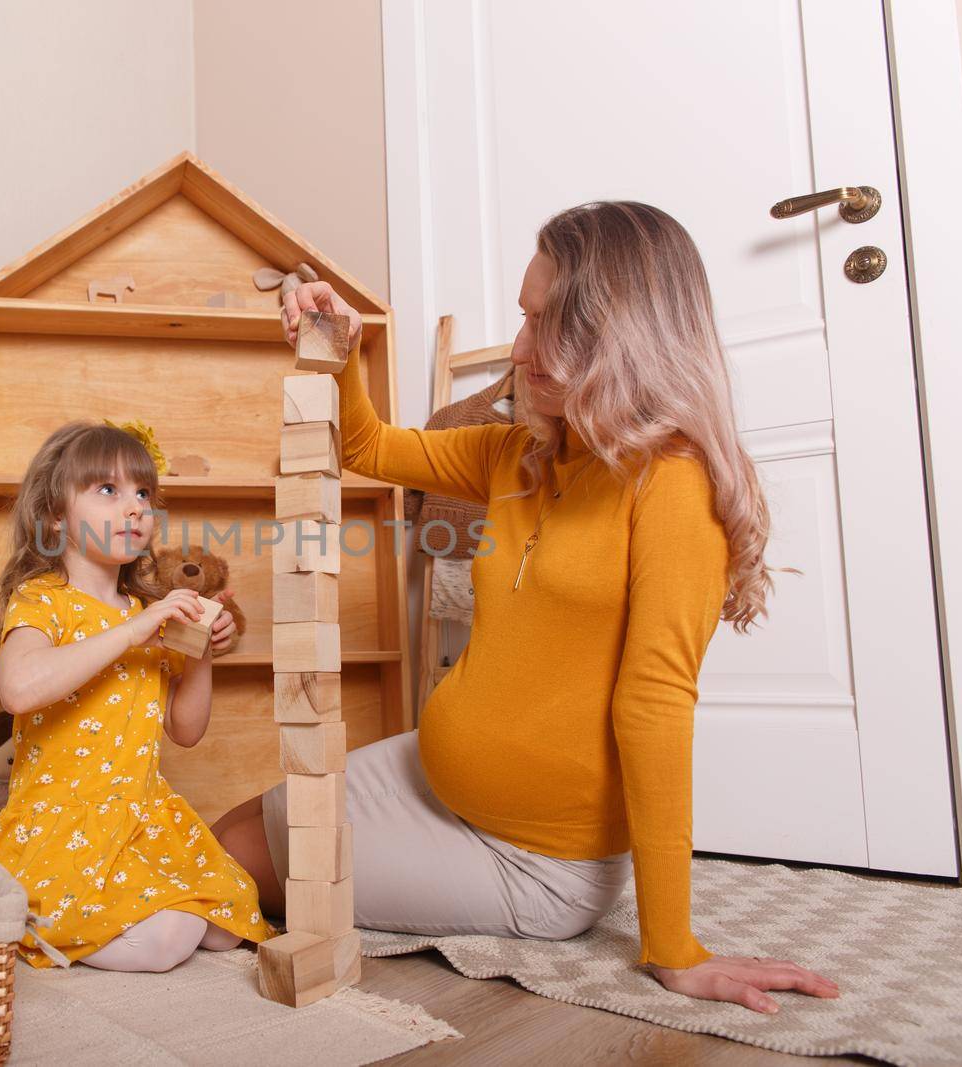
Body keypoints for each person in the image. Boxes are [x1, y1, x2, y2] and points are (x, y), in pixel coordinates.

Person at [215, 201, 840, 1013]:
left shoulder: (672, 488)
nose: (518, 349)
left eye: (546, 324)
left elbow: (654, 708)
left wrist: (675, 945)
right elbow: (368, 447)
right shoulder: (519, 452)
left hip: (534, 859)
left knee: (241, 875)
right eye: (523, 316)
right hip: (428, 778)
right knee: (220, 837)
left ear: (617, 338)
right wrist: (341, 347)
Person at [0, 420, 273, 971]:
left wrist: (200, 653)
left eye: (143, 493)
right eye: (108, 491)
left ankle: (129, 909)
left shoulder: (146, 615)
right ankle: (38, 917)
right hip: (65, 824)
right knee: (171, 937)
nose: (135, 508)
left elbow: (185, 731)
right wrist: (132, 633)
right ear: (54, 515)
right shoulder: (44, 600)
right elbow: (19, 689)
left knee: (227, 923)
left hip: (141, 816)